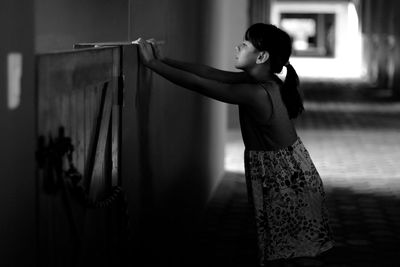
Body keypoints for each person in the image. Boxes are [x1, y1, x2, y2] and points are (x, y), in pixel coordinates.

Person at [137, 23, 334, 267]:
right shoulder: (260, 81)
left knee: (292, 252)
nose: (238, 46)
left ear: (261, 56)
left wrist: (152, 65)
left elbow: (201, 84)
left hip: (286, 179)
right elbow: (209, 73)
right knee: (285, 248)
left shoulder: (257, 93)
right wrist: (164, 59)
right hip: (288, 172)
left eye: (246, 43)